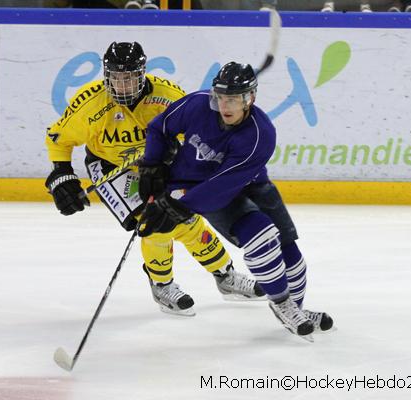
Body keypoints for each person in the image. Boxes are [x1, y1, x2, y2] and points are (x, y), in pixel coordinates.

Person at [44, 43, 264, 316]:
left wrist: (172, 154)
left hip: (158, 165)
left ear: (142, 74)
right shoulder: (90, 103)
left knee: (186, 218)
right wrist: (61, 173)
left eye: (129, 78)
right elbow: (58, 138)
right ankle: (161, 283)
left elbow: (195, 131)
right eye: (116, 78)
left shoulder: (168, 95)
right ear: (106, 76)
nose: (122, 85)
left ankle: (225, 276)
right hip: (110, 165)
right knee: (153, 222)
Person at [136, 61, 334, 338]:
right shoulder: (196, 104)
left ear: (249, 98)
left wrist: (179, 206)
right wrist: (152, 163)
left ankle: (293, 308)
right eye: (220, 98)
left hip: (244, 184)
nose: (225, 106)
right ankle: (282, 302)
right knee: (261, 237)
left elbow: (224, 183)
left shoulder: (260, 134)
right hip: (191, 182)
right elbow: (159, 127)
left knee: (291, 252)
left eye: (233, 99)